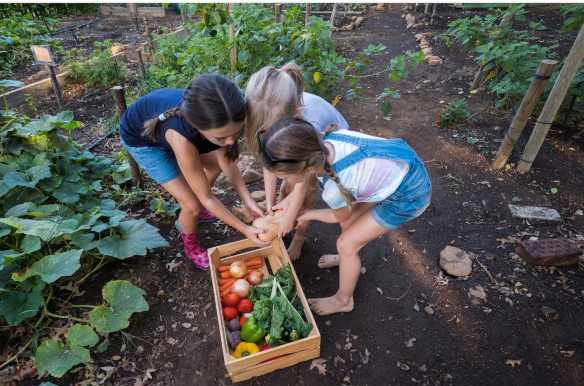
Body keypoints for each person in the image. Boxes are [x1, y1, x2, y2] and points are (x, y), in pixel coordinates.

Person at [256, 118, 432, 316]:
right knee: (348, 224)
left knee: (346, 243)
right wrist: (287, 206)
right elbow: (307, 182)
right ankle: (346, 259)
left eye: (285, 177)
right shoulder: (325, 145)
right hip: (400, 166)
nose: (284, 182)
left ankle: (343, 300)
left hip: (408, 194)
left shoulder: (333, 189)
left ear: (308, 168)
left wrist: (307, 215)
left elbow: (338, 213)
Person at [120, 74, 270, 271]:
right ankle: (191, 245)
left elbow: (227, 163)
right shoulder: (183, 139)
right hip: (142, 140)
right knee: (191, 205)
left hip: (170, 132)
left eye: (236, 133)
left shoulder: (222, 118)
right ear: (199, 127)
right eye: (222, 137)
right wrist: (245, 229)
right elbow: (208, 199)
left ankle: (194, 210)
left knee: (214, 166)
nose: (232, 141)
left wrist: (248, 201)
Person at [245, 63, 349, 260]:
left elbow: (304, 183)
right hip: (297, 150)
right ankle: (284, 222)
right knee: (285, 190)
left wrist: (291, 215)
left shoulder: (311, 125)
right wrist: (270, 201)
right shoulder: (269, 116)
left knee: (305, 195)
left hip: (323, 148)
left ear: (294, 114)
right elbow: (269, 161)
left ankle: (299, 237)